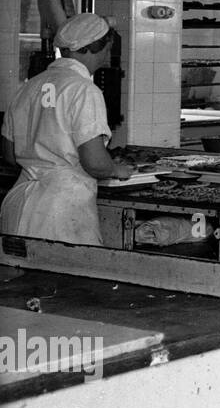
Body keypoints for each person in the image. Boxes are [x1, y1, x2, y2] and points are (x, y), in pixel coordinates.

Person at [1, 13, 133, 244]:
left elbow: (11, 156)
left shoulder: (29, 87)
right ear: (94, 48)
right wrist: (115, 169)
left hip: (19, 202)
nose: (107, 54)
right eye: (107, 47)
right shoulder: (83, 90)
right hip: (60, 212)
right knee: (69, 279)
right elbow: (94, 162)